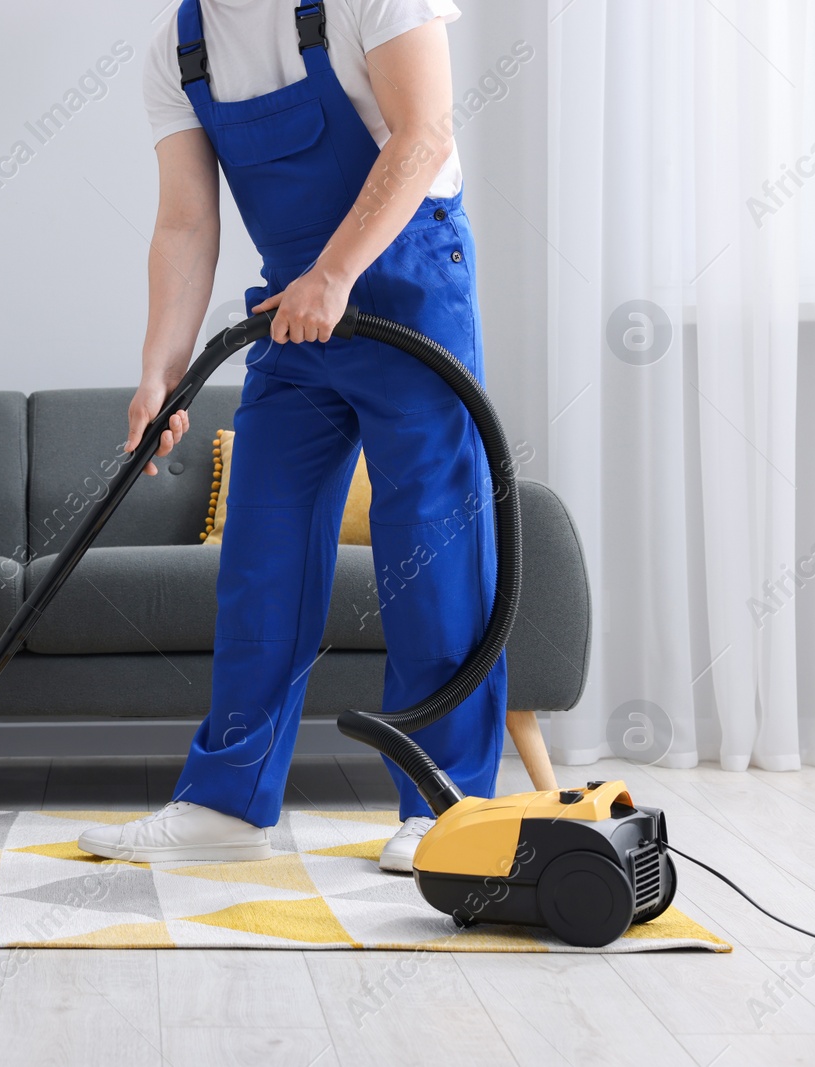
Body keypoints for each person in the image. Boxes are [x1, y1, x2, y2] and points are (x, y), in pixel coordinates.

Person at [78, 0, 504, 873]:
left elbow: (422, 134)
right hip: (295, 314)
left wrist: (337, 272)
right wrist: (161, 370)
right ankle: (227, 802)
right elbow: (187, 222)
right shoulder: (180, 50)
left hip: (409, 283)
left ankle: (445, 804)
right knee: (263, 549)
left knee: (432, 544)